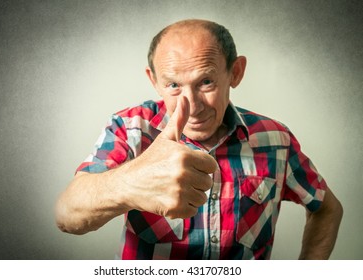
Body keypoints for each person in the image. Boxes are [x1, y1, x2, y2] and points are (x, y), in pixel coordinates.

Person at [55, 19, 343, 260]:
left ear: (235, 72)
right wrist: (131, 181)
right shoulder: (131, 129)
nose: (191, 105)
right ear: (154, 81)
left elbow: (327, 208)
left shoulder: (276, 139)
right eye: (173, 85)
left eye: (205, 82)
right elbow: (67, 215)